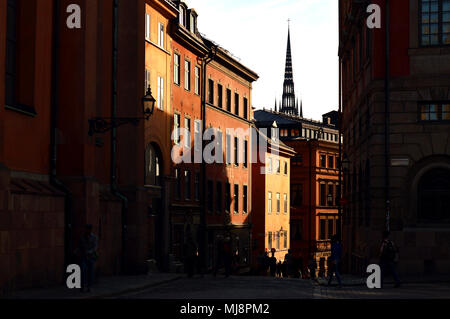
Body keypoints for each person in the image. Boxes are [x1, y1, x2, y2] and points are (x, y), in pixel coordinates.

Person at [79, 224, 98, 293]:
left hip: (91, 257)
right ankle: (82, 286)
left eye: (88, 229)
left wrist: (89, 252)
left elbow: (95, 247)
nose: (87, 230)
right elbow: (80, 246)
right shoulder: (82, 237)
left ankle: (89, 286)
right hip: (83, 257)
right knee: (83, 270)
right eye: (86, 229)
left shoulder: (94, 237)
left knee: (90, 272)